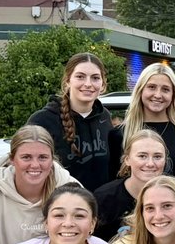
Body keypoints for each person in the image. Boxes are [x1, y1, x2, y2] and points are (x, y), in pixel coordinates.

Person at [28, 53, 114, 193]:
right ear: (68, 80)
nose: (88, 84)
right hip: (59, 209)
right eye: (80, 76)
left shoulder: (105, 118)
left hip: (101, 209)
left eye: (95, 78)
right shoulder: (42, 121)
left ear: (103, 84)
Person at [112, 64, 175, 180]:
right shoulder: (120, 134)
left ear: (173, 94)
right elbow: (114, 181)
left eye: (165, 89)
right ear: (141, 90)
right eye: (151, 87)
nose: (158, 95)